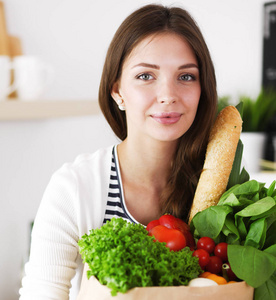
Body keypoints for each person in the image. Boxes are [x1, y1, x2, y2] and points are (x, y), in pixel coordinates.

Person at [19, 3, 217, 299]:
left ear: (203, 89)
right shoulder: (74, 188)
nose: (168, 96)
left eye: (186, 76)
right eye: (145, 76)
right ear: (117, 91)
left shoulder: (219, 188)